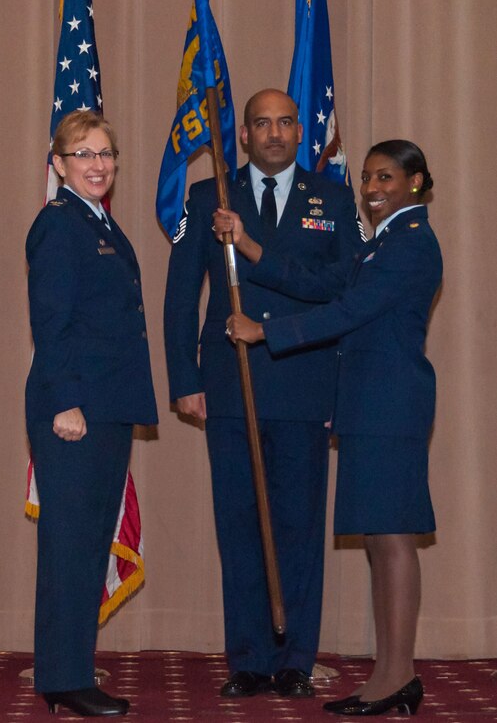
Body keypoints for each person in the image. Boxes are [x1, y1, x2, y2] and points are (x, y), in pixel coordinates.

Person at [223, 139, 442, 716]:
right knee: (379, 538)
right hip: (372, 407)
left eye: (386, 178)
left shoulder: (412, 244)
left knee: (391, 539)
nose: (371, 189)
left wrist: (266, 332)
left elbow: (348, 312)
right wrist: (250, 246)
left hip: (391, 407)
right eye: (367, 178)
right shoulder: (385, 243)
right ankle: (396, 674)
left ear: (416, 182)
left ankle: (394, 676)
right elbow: (323, 284)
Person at [164, 89, 362, 698]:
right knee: (239, 523)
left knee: (299, 526)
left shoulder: (331, 198)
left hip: (304, 384)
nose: (274, 132)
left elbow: (342, 287)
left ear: (300, 131)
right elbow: (180, 297)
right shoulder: (208, 198)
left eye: (284, 122)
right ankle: (248, 657)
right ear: (243, 135)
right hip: (230, 386)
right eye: (261, 124)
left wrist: (252, 245)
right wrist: (184, 380)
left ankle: (295, 659)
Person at [26, 110, 157, 717]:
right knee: (71, 545)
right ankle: (63, 677)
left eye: (106, 154)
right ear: (58, 164)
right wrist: (65, 401)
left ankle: (70, 670)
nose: (98, 165)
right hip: (75, 409)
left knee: (86, 544)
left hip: (107, 406)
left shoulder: (100, 223)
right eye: (83, 154)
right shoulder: (60, 226)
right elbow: (51, 324)